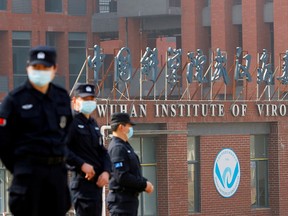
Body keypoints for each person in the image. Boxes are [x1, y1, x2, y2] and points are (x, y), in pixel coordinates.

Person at [0, 45, 73, 216]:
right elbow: (3, 141)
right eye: (36, 67)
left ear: (54, 69)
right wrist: (20, 166)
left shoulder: (61, 97)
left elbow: (67, 132)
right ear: (28, 68)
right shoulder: (14, 100)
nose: (40, 71)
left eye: (45, 67)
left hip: (56, 175)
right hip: (28, 175)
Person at [66, 83, 111, 216]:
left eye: (92, 99)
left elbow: (102, 151)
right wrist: (81, 164)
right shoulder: (70, 122)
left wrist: (107, 172)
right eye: (85, 99)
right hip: (82, 185)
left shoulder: (93, 124)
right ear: (74, 101)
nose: (89, 102)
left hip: (96, 185)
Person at [107, 112, 154, 216]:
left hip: (128, 201)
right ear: (121, 127)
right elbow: (122, 176)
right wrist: (144, 185)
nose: (131, 129)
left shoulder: (125, 146)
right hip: (121, 202)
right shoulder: (117, 148)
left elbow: (133, 172)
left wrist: (144, 182)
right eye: (129, 126)